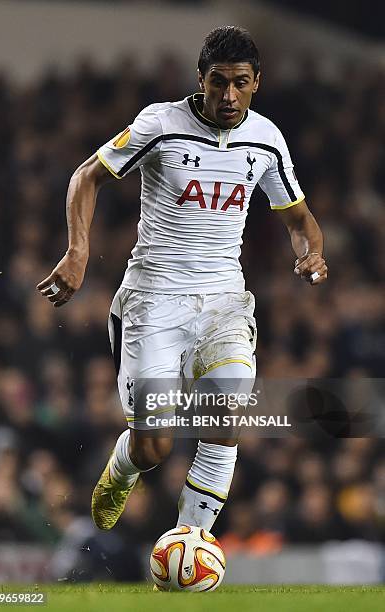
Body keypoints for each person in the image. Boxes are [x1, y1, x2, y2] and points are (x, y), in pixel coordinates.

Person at [37, 26, 328, 534]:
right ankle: (124, 466)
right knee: (156, 446)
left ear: (257, 81)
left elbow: (300, 222)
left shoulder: (266, 139)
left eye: (240, 83)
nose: (229, 95)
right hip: (154, 302)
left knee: (225, 418)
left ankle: (189, 540)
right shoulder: (160, 123)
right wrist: (77, 252)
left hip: (223, 303)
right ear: (201, 79)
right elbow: (86, 175)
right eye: (218, 82)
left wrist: (313, 255)